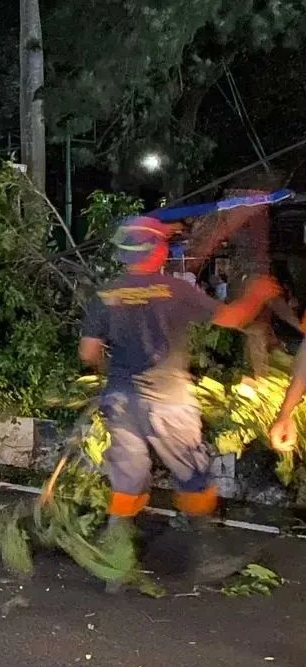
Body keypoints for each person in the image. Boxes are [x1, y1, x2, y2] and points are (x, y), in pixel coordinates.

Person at [79, 216, 279, 582]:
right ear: (157, 250)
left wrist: (114, 372)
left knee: (128, 476)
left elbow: (88, 353)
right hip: (170, 402)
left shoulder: (106, 294)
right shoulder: (175, 290)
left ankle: (116, 560)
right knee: (193, 474)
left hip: (122, 402)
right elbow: (234, 318)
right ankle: (203, 553)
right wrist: (259, 293)